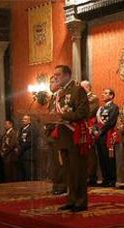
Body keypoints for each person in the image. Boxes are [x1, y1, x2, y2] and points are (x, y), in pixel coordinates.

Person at [52, 65, 89, 212]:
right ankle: (71, 199)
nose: (55, 77)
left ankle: (81, 202)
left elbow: (83, 111)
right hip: (63, 136)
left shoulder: (77, 90)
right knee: (68, 171)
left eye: (58, 74)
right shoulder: (59, 93)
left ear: (67, 75)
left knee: (77, 170)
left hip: (75, 135)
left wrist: (63, 116)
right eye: (54, 75)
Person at [94, 88, 119, 187]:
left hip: (108, 136)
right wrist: (95, 130)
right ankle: (105, 179)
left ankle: (112, 180)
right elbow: (96, 122)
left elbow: (111, 122)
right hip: (99, 136)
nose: (103, 94)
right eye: (103, 92)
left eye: (105, 93)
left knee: (110, 158)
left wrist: (100, 131)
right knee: (102, 158)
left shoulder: (114, 107)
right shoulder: (101, 108)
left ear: (111, 96)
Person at [46, 76, 65, 194]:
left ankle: (62, 185)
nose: (50, 84)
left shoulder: (61, 96)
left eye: (52, 82)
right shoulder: (53, 98)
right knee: (54, 162)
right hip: (51, 134)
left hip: (59, 133)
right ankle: (56, 184)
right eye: (50, 82)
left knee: (60, 161)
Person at [81, 80, 100, 186]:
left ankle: (91, 176)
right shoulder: (82, 98)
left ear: (88, 88)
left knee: (90, 152)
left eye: (82, 87)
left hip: (90, 127)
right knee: (84, 152)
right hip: (82, 127)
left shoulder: (93, 98)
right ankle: (85, 175)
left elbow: (89, 112)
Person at [18, 115, 36, 181]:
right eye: (23, 119)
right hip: (22, 154)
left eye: (25, 119)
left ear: (29, 121)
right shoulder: (22, 129)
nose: (23, 120)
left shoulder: (31, 129)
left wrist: (20, 148)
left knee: (28, 173)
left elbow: (29, 142)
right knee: (23, 173)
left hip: (28, 154)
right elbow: (20, 139)